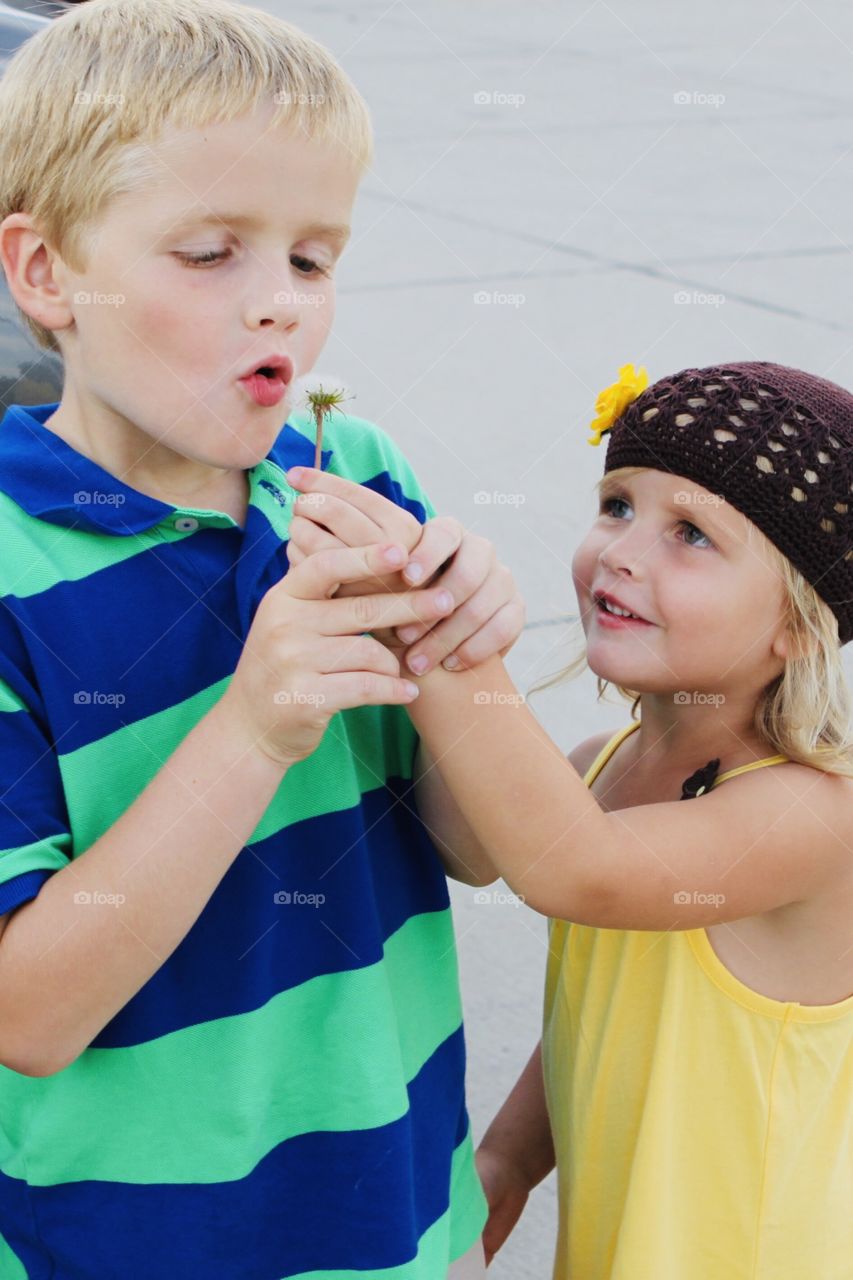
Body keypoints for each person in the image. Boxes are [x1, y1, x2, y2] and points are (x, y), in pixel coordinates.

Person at [0, 0, 525, 1274]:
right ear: (48, 274)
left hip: (386, 1207)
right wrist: (252, 727)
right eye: (210, 252)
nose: (278, 304)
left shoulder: (358, 479)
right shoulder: (18, 570)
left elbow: (467, 849)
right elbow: (31, 1010)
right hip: (129, 1241)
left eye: (311, 257)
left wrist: (466, 668)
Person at [286, 360, 853, 1278]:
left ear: (797, 620)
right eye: (617, 505)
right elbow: (493, 871)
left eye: (691, 535)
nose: (623, 552)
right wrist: (506, 1160)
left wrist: (434, 630)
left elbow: (566, 867)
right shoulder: (606, 763)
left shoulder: (810, 811)